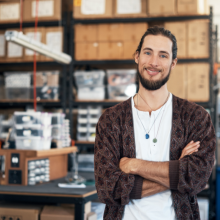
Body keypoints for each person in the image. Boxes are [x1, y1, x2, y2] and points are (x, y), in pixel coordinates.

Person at [94, 26, 216, 220]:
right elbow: (108, 188)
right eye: (148, 52)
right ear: (137, 56)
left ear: (173, 63)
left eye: (163, 55)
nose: (153, 62)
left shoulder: (195, 117)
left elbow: (197, 178)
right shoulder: (111, 120)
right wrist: (177, 169)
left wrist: (134, 165)